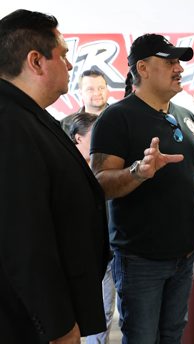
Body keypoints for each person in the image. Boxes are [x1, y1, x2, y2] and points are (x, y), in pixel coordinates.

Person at [90, 33, 194, 343]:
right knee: (142, 337)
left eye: (179, 63)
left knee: (172, 334)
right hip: (141, 260)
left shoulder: (185, 116)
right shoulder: (116, 119)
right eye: (169, 62)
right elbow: (100, 183)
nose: (179, 69)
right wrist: (138, 172)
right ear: (142, 68)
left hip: (184, 256)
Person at [0, 9, 109, 343]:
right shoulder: (10, 124)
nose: (70, 65)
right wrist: (58, 324)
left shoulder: (29, 116)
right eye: (62, 55)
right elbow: (23, 239)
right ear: (36, 61)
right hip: (28, 323)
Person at [64, 112, 116, 344]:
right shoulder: (65, 170)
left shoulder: (106, 169)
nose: (103, 141)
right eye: (97, 135)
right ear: (77, 138)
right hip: (75, 258)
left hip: (107, 252)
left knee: (103, 315)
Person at [61, 69, 110, 134]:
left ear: (107, 89)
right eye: (90, 89)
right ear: (81, 93)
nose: (97, 93)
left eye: (101, 88)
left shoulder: (121, 118)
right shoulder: (65, 125)